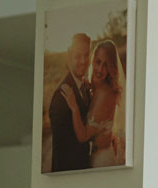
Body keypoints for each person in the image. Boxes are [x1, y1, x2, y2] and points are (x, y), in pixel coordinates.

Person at [61, 38, 125, 168]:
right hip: (95, 157)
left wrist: (74, 108)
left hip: (102, 161)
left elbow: (83, 136)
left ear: (112, 67)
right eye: (98, 62)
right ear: (93, 61)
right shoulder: (96, 88)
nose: (100, 69)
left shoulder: (105, 94)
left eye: (106, 65)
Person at [46, 34, 95, 173]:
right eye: (78, 56)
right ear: (69, 57)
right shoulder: (61, 97)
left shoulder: (85, 86)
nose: (83, 61)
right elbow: (62, 150)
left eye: (86, 55)